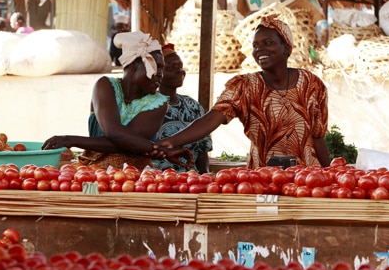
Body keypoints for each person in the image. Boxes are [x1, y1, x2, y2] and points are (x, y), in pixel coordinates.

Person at [154, 14, 331, 169]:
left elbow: (318, 138)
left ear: (286, 47)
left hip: (307, 179)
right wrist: (170, 142)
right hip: (263, 181)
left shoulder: (312, 85)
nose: (259, 49)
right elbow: (210, 120)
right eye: (255, 45)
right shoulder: (244, 87)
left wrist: (329, 175)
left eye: (267, 43)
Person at [42, 31, 191, 170]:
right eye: (155, 67)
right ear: (133, 66)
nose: (159, 74)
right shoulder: (105, 85)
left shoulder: (158, 103)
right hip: (95, 168)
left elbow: (119, 138)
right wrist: (155, 148)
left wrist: (70, 140)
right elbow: (119, 135)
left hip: (137, 173)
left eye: (161, 69)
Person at [152, 43, 213, 174]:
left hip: (192, 181)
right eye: (171, 67)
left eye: (180, 67)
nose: (179, 71)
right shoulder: (148, 105)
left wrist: (206, 176)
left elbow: (202, 151)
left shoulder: (193, 106)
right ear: (157, 72)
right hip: (158, 181)